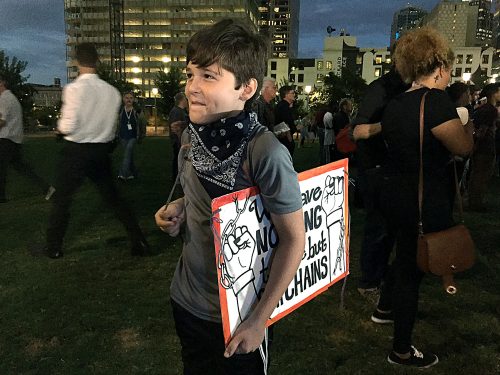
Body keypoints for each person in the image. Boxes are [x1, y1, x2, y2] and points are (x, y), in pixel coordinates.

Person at [154, 19, 304, 375]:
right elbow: (199, 200)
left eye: (208, 76)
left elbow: (294, 239)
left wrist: (259, 320)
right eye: (190, 74)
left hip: (240, 314)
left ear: (246, 88)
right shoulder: (191, 140)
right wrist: (176, 211)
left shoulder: (264, 150)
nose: (192, 87)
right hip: (188, 302)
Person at [376, 27, 473, 368]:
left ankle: (384, 308)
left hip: (397, 195)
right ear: (439, 67)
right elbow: (462, 147)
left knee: (403, 255)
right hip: (424, 198)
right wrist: (466, 124)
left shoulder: (395, 104)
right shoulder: (436, 102)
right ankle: (402, 349)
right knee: (411, 270)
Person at [41, 43, 150, 258]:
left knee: (62, 199)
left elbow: (68, 125)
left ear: (76, 62)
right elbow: (111, 127)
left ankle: (53, 247)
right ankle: (139, 241)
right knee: (114, 198)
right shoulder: (112, 92)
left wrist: (60, 130)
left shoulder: (74, 89)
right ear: (97, 61)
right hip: (101, 152)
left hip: (76, 152)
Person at [351, 65, 409, 300]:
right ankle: (369, 282)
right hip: (375, 170)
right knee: (379, 227)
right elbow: (358, 131)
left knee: (390, 228)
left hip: (393, 169)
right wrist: (389, 124)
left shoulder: (405, 88)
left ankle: (380, 275)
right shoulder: (380, 88)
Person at [0, 73, 52, 203]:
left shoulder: (4, 99)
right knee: (22, 168)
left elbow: (2, 121)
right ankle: (46, 188)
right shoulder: (12, 98)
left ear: (1, 83)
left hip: (6, 139)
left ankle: (1, 196)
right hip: (14, 139)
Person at [468, 83, 500, 210]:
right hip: (485, 147)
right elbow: (483, 131)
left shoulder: (483, 108)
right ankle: (476, 202)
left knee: (477, 174)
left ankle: (474, 200)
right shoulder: (490, 110)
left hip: (480, 146)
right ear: (493, 93)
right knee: (481, 174)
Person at [117, 91, 146, 180]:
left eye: (130, 98)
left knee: (127, 152)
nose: (128, 100)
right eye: (126, 98)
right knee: (128, 155)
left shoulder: (137, 111)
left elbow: (142, 124)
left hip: (133, 136)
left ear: (133, 99)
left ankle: (123, 174)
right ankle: (133, 172)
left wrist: (142, 135)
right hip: (122, 136)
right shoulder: (120, 111)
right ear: (123, 99)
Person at [168, 92, 189, 182]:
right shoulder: (177, 111)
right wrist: (180, 141)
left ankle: (177, 178)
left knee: (178, 159)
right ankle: (176, 178)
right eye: (185, 99)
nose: (187, 101)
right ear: (182, 100)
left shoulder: (180, 111)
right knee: (178, 160)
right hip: (178, 141)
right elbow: (175, 128)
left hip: (180, 140)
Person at [274, 85, 296, 155]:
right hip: (285, 141)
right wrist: (290, 140)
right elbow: (285, 123)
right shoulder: (284, 107)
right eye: (292, 93)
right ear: (286, 95)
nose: (294, 95)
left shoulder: (283, 105)